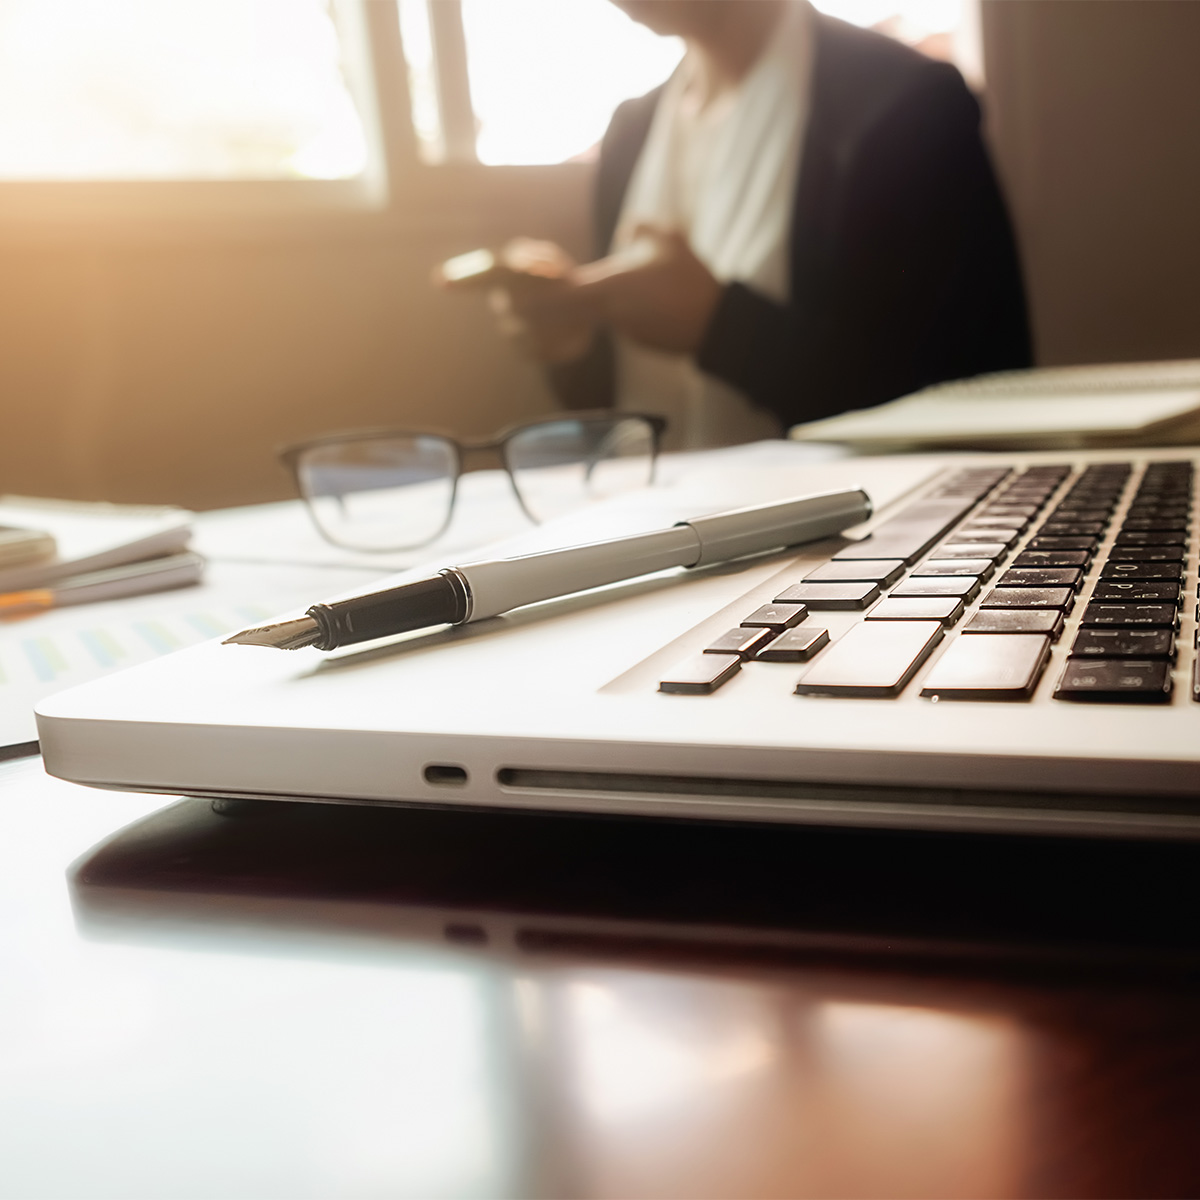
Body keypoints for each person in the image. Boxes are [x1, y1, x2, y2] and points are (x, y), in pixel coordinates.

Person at [454, 0, 1032, 448]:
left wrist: (723, 327)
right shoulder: (632, 130)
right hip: (660, 541)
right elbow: (633, 405)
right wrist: (571, 342)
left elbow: (977, 390)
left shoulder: (910, 105)